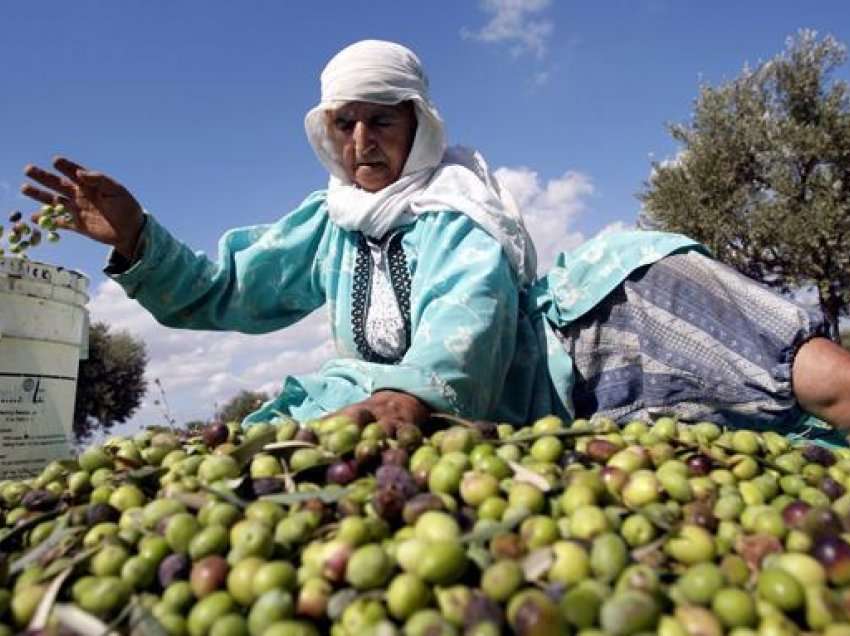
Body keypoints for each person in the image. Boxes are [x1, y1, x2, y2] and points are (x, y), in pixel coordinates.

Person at [20, 40, 850, 445]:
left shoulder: (458, 207)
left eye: (381, 119)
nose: (360, 141)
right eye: (344, 123)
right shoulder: (330, 221)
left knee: (818, 380)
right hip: (534, 417)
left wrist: (416, 392)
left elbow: (474, 312)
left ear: (418, 124)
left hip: (598, 334)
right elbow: (226, 288)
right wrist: (135, 238)